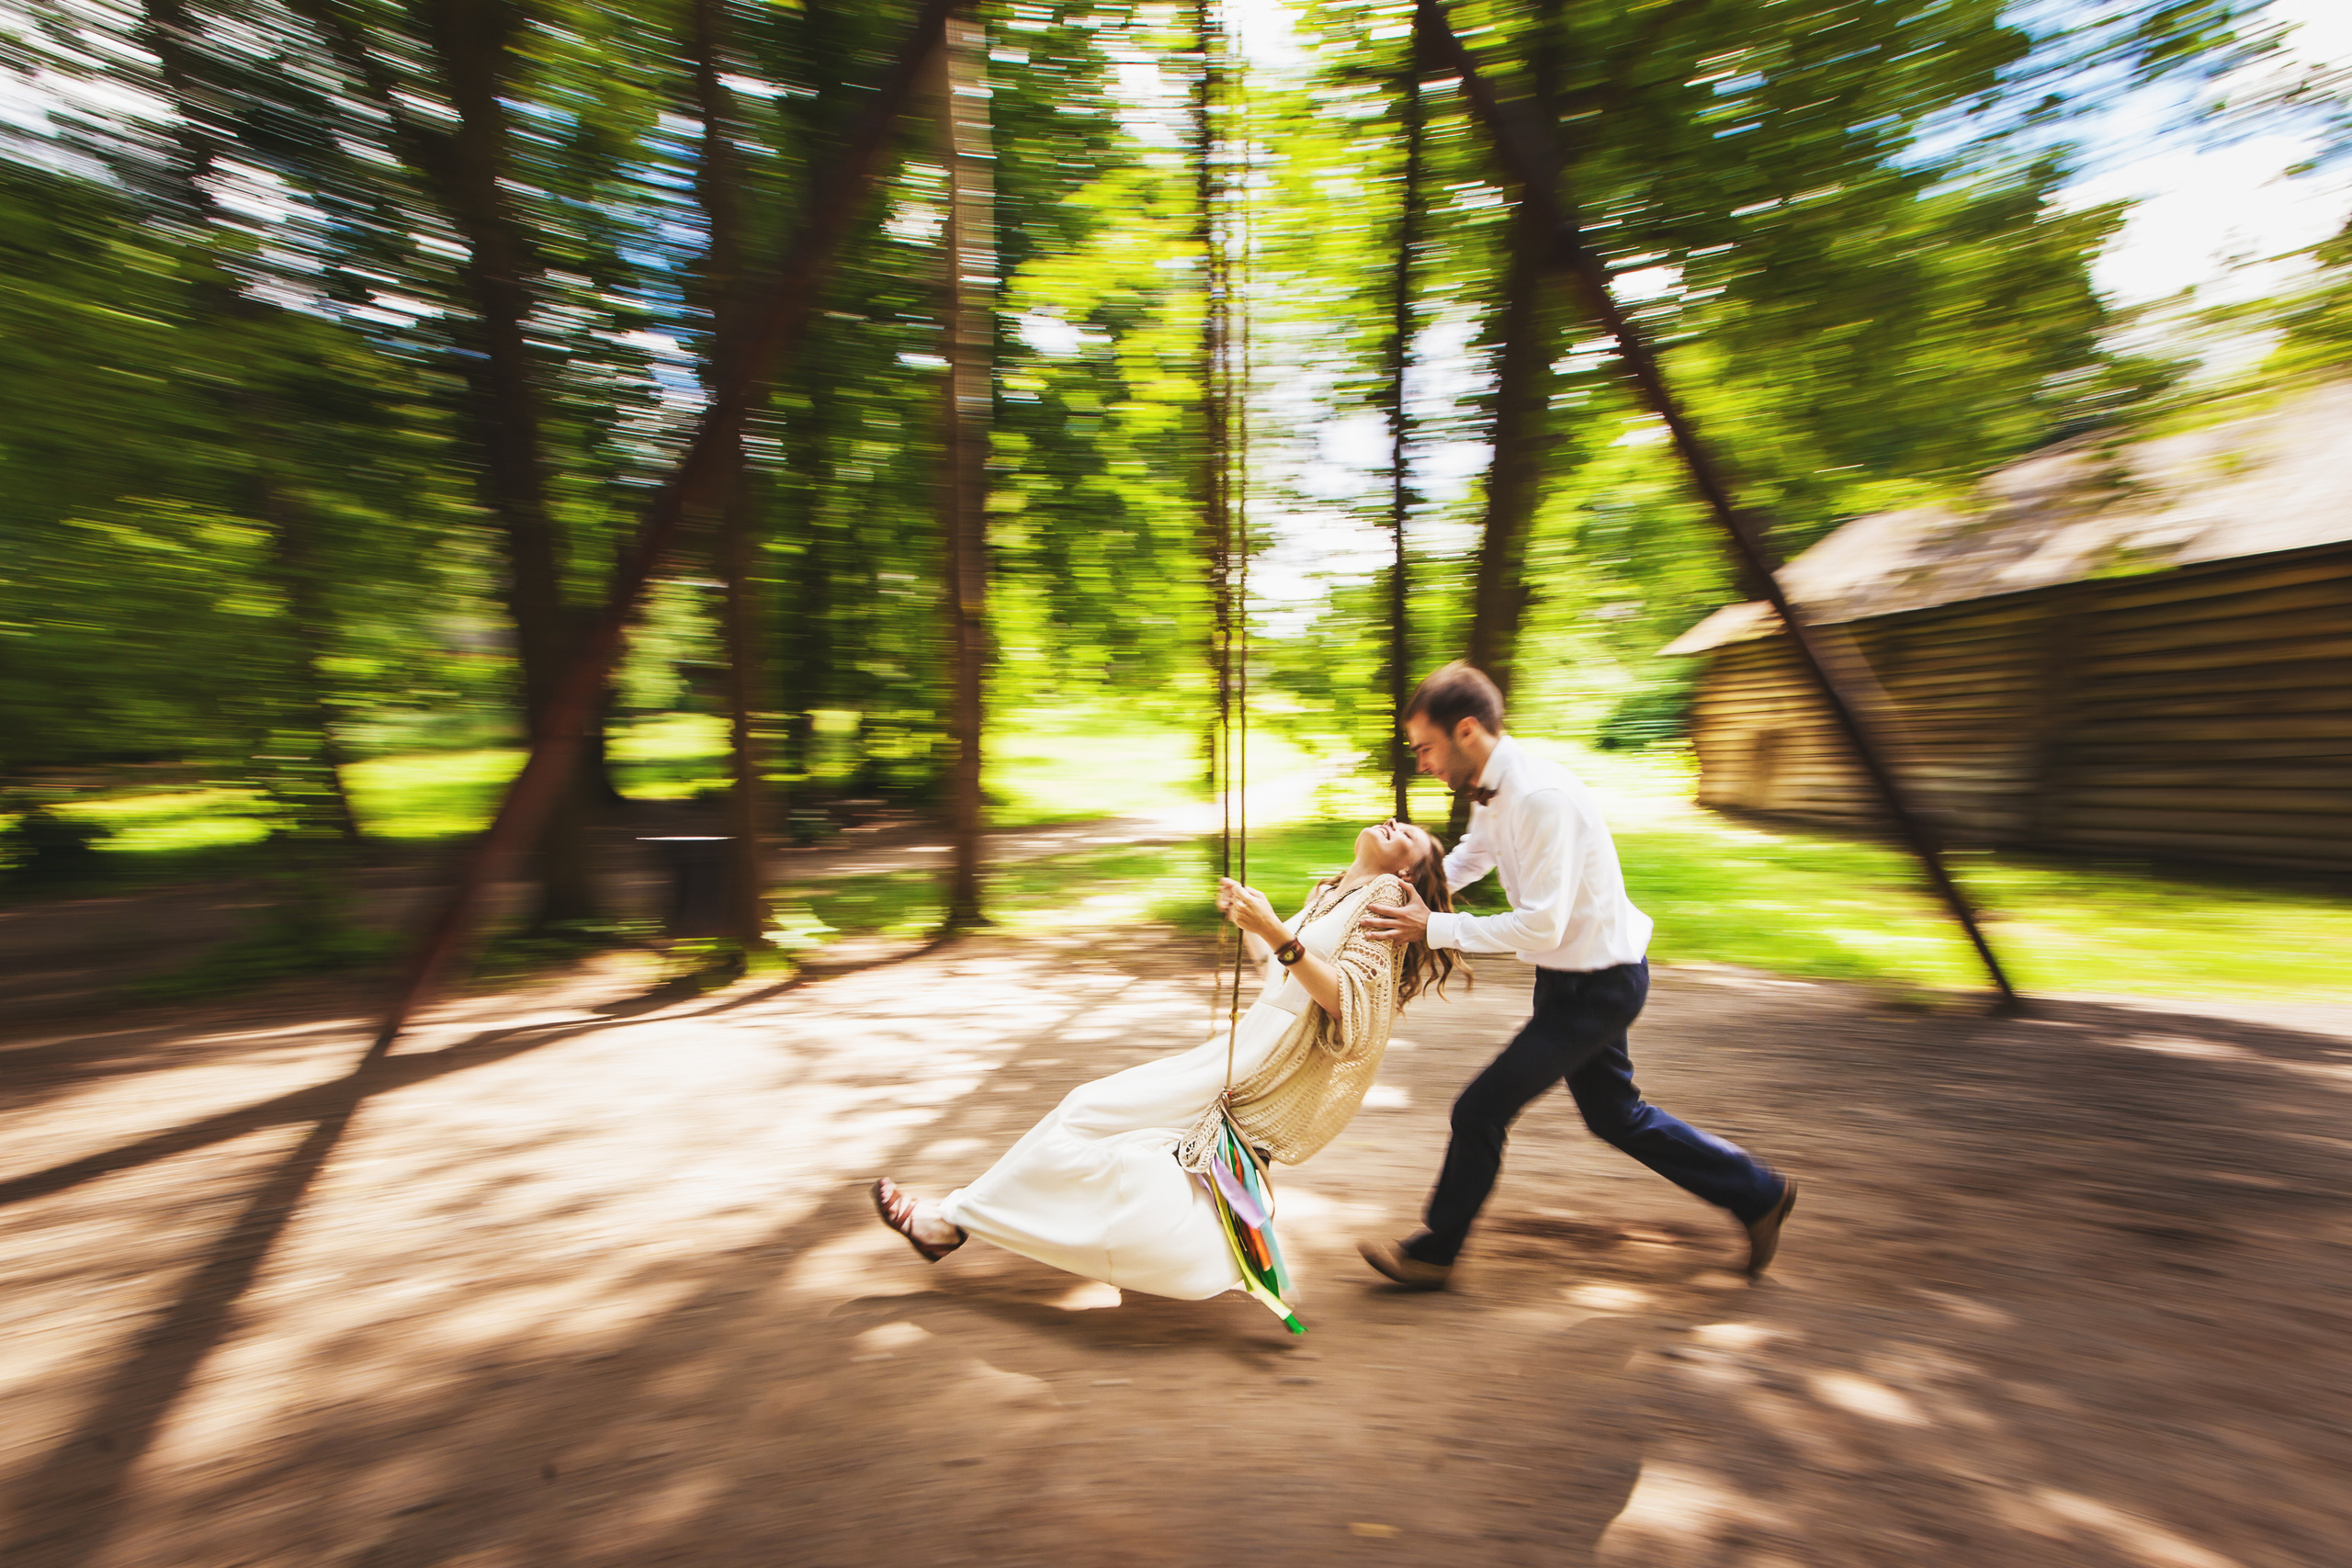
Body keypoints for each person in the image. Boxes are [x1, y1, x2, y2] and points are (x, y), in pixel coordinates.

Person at [871, 817, 1460, 1305]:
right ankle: (955, 1222)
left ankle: (946, 1223)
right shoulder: (1332, 892)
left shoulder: (1384, 898)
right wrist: (1254, 928)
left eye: (1407, 834)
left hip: (1264, 1061)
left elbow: (1351, 1007)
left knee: (1094, 1113)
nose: (1393, 823)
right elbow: (1280, 980)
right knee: (1102, 1119)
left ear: (1407, 871)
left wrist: (1276, 931)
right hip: (1249, 1040)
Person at [1356, 661, 1796, 1290]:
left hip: (1600, 985)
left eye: (1426, 747)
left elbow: (1542, 926)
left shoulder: (1539, 799)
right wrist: (1412, 891)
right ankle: (1760, 1194)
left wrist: (1434, 928)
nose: (1423, 762)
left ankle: (1434, 1252)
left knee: (1479, 1110)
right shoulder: (1494, 787)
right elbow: (1476, 856)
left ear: (1468, 730)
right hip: (1571, 979)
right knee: (1617, 1115)